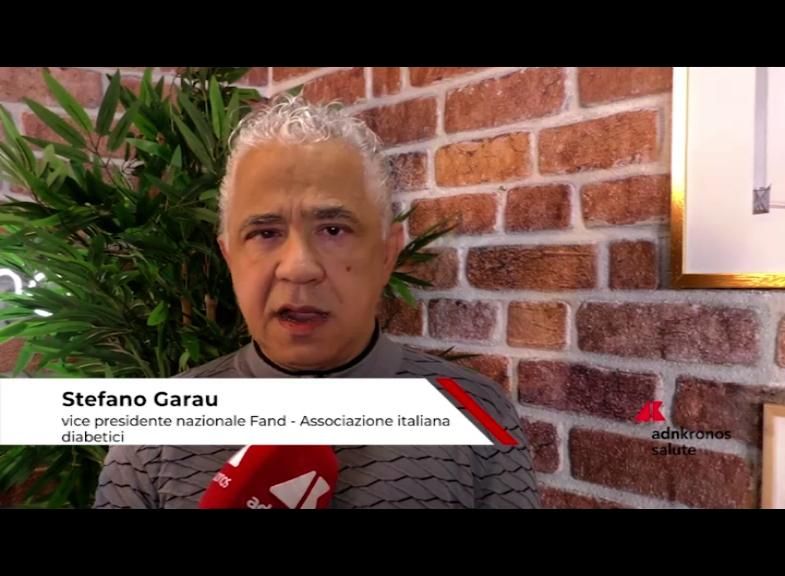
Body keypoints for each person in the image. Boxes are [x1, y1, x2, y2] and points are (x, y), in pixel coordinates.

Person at [93, 94, 540, 509]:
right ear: (229, 256)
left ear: (388, 253)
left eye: (333, 230)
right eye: (265, 233)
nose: (299, 267)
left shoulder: (477, 412)